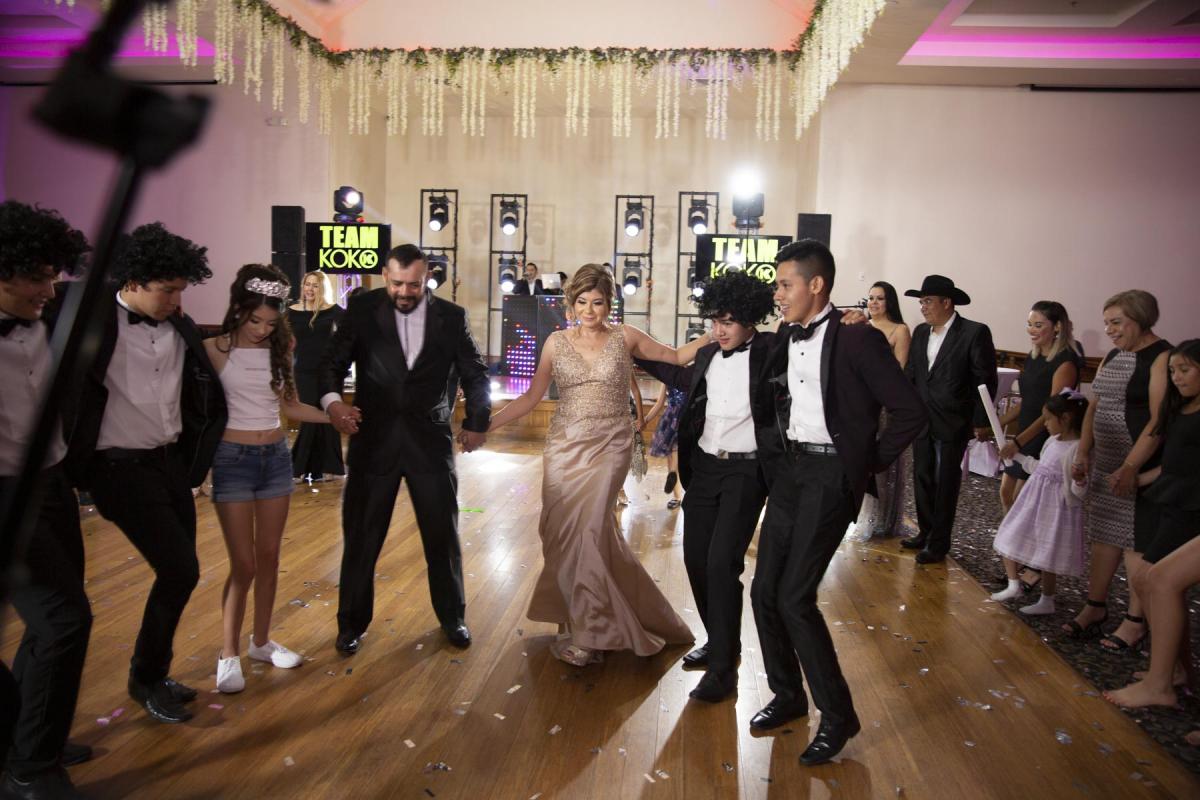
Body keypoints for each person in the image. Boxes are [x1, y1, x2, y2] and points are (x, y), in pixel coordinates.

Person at [753, 240, 926, 765]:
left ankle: (838, 715)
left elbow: (910, 411)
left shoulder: (858, 338)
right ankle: (787, 695)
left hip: (831, 476)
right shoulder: (786, 333)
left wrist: (865, 461)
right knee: (764, 591)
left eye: (784, 284)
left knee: (794, 597)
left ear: (816, 285)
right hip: (790, 472)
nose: (778, 294)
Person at [487, 263, 705, 667]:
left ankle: (591, 634)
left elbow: (675, 356)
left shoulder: (626, 336)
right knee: (563, 534)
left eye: (598, 302)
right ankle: (581, 617)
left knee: (588, 530)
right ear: (571, 304)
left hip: (610, 445)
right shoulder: (555, 342)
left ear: (610, 304)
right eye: (582, 302)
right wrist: (485, 426)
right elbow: (531, 398)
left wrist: (718, 330)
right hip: (564, 447)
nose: (589, 310)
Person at [62, 222, 226, 725]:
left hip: (169, 464)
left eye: (181, 290)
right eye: (167, 290)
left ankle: (153, 672)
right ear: (132, 281)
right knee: (180, 570)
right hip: (117, 468)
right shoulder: (90, 321)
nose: (176, 301)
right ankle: (145, 677)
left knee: (180, 573)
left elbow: (200, 390)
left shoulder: (180, 326)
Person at [320, 244, 490, 654]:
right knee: (361, 538)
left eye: (414, 284)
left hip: (429, 443)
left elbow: (475, 372)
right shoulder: (362, 309)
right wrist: (333, 404)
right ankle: (350, 624)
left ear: (426, 277)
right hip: (373, 443)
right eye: (397, 283)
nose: (404, 292)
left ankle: (452, 618)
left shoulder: (452, 317)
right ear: (385, 275)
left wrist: (476, 422)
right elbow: (331, 364)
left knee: (441, 536)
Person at [634, 269, 778, 702]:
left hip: (746, 473)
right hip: (706, 470)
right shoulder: (710, 354)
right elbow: (675, 375)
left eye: (728, 322)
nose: (719, 330)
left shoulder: (773, 350)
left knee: (721, 564)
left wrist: (851, 320)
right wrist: (629, 345)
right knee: (696, 560)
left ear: (750, 318)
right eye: (715, 321)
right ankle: (719, 642)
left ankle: (723, 670)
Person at [205, 265, 350, 693]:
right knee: (244, 564)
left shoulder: (281, 347)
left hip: (274, 459)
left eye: (271, 323)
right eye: (255, 321)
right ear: (239, 309)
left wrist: (334, 416)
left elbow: (290, 406)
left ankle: (261, 642)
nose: (262, 330)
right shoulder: (212, 348)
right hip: (232, 459)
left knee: (269, 557)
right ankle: (227, 654)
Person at [0, 200, 91, 799]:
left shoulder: (46, 318)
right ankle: (29, 769)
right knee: (63, 619)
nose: (49, 289)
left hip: (52, 482)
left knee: (48, 624)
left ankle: (32, 737)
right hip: (5, 495)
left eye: (51, 276)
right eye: (36, 278)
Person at [1062, 291, 1170, 651]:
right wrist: (1083, 452)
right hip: (1107, 460)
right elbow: (1094, 406)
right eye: (1106, 322)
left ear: (1140, 319)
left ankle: (1135, 621)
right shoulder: (1112, 355)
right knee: (1104, 534)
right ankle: (1095, 606)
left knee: (1136, 542)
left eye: (1116, 322)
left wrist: (1130, 466)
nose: (1109, 329)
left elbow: (1158, 421)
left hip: (1139, 463)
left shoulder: (1161, 357)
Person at [1103, 340, 1200, 708]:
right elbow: (1174, 464)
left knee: (1157, 580)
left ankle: (1161, 683)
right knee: (1149, 581)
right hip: (1175, 501)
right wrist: (1135, 478)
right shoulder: (1181, 407)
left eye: (1185, 370)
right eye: (1172, 371)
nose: (1176, 378)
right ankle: (1175, 670)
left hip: (1192, 507)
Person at [900, 275, 998, 564]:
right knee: (922, 477)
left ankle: (939, 542)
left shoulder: (974, 332)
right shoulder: (921, 332)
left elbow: (984, 379)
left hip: (953, 419)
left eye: (928, 301)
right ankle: (925, 532)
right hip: (922, 419)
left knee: (945, 483)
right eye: (921, 302)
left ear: (946, 303)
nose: (923, 307)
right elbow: (913, 373)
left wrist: (981, 420)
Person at [990, 390, 1089, 615]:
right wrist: (1015, 456)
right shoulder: (1052, 441)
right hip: (1033, 501)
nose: (1044, 424)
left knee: (1047, 552)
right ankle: (1013, 584)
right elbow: (1039, 468)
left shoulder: (1077, 448)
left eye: (1048, 419)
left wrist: (1079, 480)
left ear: (1065, 419)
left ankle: (1047, 598)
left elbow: (1078, 491)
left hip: (1056, 509)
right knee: (1010, 533)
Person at [996, 302, 1082, 515]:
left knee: (1022, 500)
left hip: (1043, 435)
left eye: (1038, 325)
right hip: (1025, 430)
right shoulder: (1033, 357)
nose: (1031, 330)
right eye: (1029, 324)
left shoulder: (1065, 363)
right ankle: (1011, 533)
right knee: (1005, 493)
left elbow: (1051, 412)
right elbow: (1027, 401)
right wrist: (996, 424)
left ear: (1057, 327)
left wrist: (1018, 442)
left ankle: (1020, 535)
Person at [848, 280, 912, 539]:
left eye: (880, 298)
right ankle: (860, 514)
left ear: (890, 302)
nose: (873, 303)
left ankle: (882, 518)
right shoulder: (862, 327)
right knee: (859, 457)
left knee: (882, 461)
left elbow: (898, 371)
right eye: (871, 298)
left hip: (883, 405)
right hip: (858, 403)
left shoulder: (900, 330)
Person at [288, 270, 346, 482]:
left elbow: (350, 333)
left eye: (314, 285)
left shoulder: (332, 310)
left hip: (328, 372)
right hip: (303, 371)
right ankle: (297, 468)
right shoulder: (291, 311)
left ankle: (328, 468)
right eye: (307, 284)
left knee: (330, 414)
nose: (310, 289)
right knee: (311, 416)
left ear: (322, 288)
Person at [642, 382, 685, 509]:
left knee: (673, 453)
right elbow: (660, 403)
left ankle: (676, 492)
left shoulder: (687, 374)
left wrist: (645, 420)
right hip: (678, 416)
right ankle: (675, 486)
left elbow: (660, 403)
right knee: (674, 454)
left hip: (678, 417)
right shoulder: (670, 377)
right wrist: (645, 420)